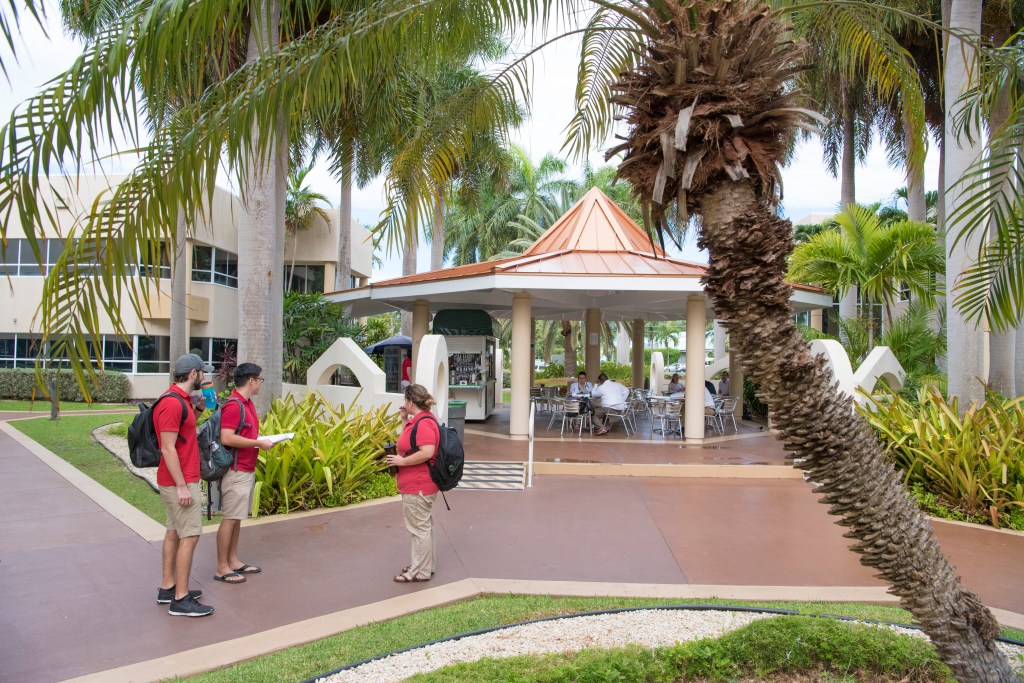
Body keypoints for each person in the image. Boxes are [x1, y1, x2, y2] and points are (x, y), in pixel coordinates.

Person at [156, 354, 215, 617]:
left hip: (181, 477)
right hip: (179, 480)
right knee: (190, 535)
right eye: (202, 373)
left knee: (174, 532)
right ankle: (180, 598)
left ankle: (168, 587)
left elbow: (181, 433)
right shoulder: (170, 404)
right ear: (193, 374)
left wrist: (199, 410)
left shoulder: (180, 401)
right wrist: (181, 485)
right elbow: (167, 448)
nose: (204, 377)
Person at [214, 363, 274, 585]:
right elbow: (227, 438)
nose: (260, 383)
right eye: (260, 379)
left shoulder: (246, 404)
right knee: (230, 518)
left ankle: (233, 560)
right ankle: (222, 567)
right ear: (251, 381)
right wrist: (258, 442)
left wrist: (260, 441)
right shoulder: (234, 405)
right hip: (235, 470)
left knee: (237, 518)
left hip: (245, 468)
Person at [385, 384, 440, 583]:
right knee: (424, 527)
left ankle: (418, 571)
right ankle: (426, 566)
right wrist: (404, 419)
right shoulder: (419, 420)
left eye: (405, 401)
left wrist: (402, 461)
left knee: (418, 528)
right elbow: (408, 443)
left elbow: (427, 452)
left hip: (418, 484)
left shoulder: (424, 423)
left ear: (409, 402)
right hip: (419, 483)